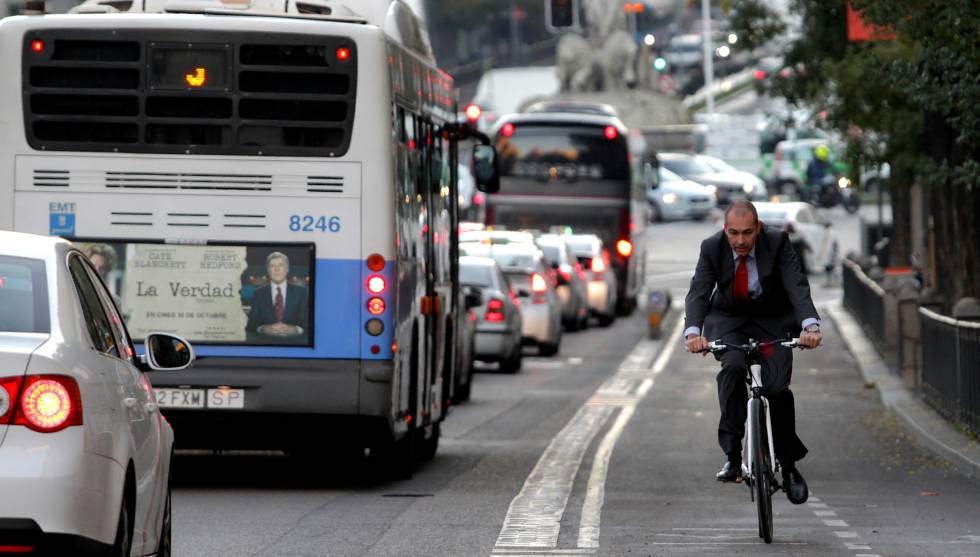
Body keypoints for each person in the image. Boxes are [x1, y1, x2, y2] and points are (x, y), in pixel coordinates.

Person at [683, 200, 822, 505]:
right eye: (734, 233)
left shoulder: (777, 242)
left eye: (748, 233)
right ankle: (733, 457)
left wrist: (809, 326)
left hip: (772, 321)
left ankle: (788, 468)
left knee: (777, 390)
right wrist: (694, 332)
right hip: (730, 321)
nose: (741, 241)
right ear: (725, 230)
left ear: (758, 228)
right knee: (731, 369)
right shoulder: (712, 247)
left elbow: (796, 285)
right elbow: (699, 290)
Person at [245, 252, 309, 341]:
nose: (276, 269)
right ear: (268, 270)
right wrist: (263, 328)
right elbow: (251, 325)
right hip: (266, 343)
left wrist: (296, 329)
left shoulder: (301, 292)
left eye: (281, 265)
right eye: (272, 266)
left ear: (287, 269)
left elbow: (308, 323)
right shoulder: (258, 293)